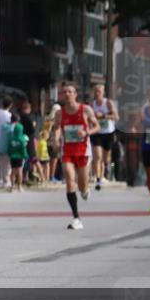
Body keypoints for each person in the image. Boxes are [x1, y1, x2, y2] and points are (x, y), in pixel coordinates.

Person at [53, 82, 100, 230]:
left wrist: (86, 133)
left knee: (82, 186)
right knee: (69, 181)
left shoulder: (85, 110)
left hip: (83, 151)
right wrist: (55, 139)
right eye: (64, 92)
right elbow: (56, 129)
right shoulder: (59, 113)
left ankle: (86, 190)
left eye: (70, 92)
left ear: (75, 94)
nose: (67, 94)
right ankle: (76, 218)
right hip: (68, 151)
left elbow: (97, 126)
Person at [89, 84, 119, 190]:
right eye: (96, 92)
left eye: (99, 92)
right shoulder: (92, 104)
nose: (97, 94)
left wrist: (103, 116)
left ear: (103, 93)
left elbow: (116, 117)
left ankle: (104, 173)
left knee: (106, 158)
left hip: (108, 133)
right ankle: (97, 178)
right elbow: (88, 117)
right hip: (96, 132)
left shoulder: (108, 103)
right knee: (97, 156)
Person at [0, 96, 14, 190]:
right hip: (4, 140)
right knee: (5, 161)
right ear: (10, 105)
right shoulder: (8, 115)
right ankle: (4, 180)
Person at [7, 113, 29, 192]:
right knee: (19, 171)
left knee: (13, 171)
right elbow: (23, 149)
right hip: (20, 157)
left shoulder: (11, 139)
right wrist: (25, 155)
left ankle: (12, 186)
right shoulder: (22, 139)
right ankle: (19, 186)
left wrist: (9, 154)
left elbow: (9, 148)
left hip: (13, 157)